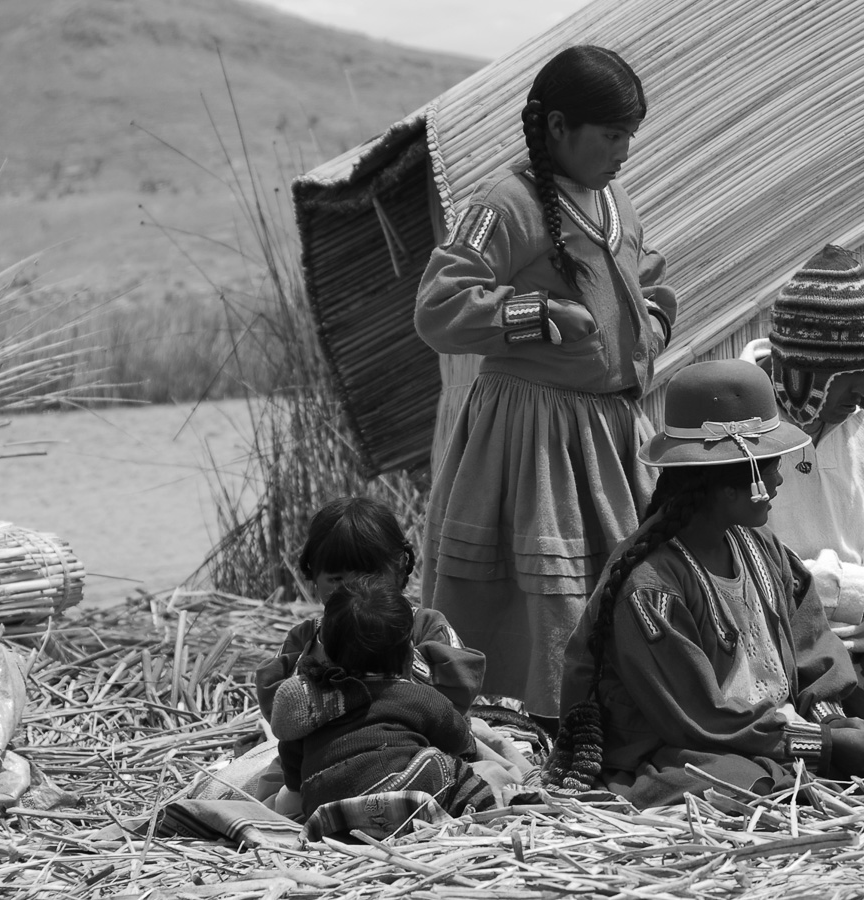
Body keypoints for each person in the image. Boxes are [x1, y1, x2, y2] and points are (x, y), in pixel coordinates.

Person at [546, 360, 864, 808]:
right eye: (768, 467)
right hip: (691, 746)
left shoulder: (762, 548)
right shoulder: (652, 587)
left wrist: (830, 722)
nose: (778, 480)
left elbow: (812, 646)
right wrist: (817, 745)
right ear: (728, 485)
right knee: (741, 784)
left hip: (781, 734)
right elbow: (695, 719)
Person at [414, 45, 675, 726]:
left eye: (630, 137)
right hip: (534, 437)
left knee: (624, 571)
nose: (624, 151)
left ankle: (610, 709)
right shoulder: (506, 203)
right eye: (611, 135)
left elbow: (640, 278)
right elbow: (439, 307)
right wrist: (535, 317)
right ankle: (546, 720)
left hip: (611, 431)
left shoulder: (613, 199)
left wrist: (653, 321)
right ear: (558, 126)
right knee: (548, 588)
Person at [740, 245, 864, 736]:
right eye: (854, 378)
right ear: (807, 368)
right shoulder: (737, 423)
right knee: (814, 761)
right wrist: (854, 592)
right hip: (763, 648)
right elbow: (731, 561)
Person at [255, 497, 511, 815]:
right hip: (326, 756)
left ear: (398, 567)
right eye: (335, 579)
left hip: (417, 744)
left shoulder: (424, 626)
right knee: (267, 792)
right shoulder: (306, 640)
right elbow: (283, 714)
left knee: (492, 758)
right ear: (313, 577)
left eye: (368, 576)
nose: (353, 588)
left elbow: (454, 699)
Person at [268, 574, 502, 818]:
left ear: (326, 653)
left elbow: (292, 763)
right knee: (458, 773)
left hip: (326, 808)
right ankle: (490, 821)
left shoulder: (314, 705)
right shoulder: (419, 697)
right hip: (403, 792)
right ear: (409, 657)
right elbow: (459, 741)